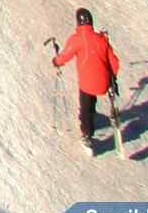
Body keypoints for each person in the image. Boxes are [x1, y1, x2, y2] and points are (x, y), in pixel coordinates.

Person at [52, 9, 122, 153]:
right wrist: (112, 78)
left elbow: (65, 56)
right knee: (92, 94)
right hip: (104, 82)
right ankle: (93, 115)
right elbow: (114, 63)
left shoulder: (77, 39)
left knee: (85, 105)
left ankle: (87, 134)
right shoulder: (101, 39)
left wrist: (56, 61)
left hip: (87, 84)